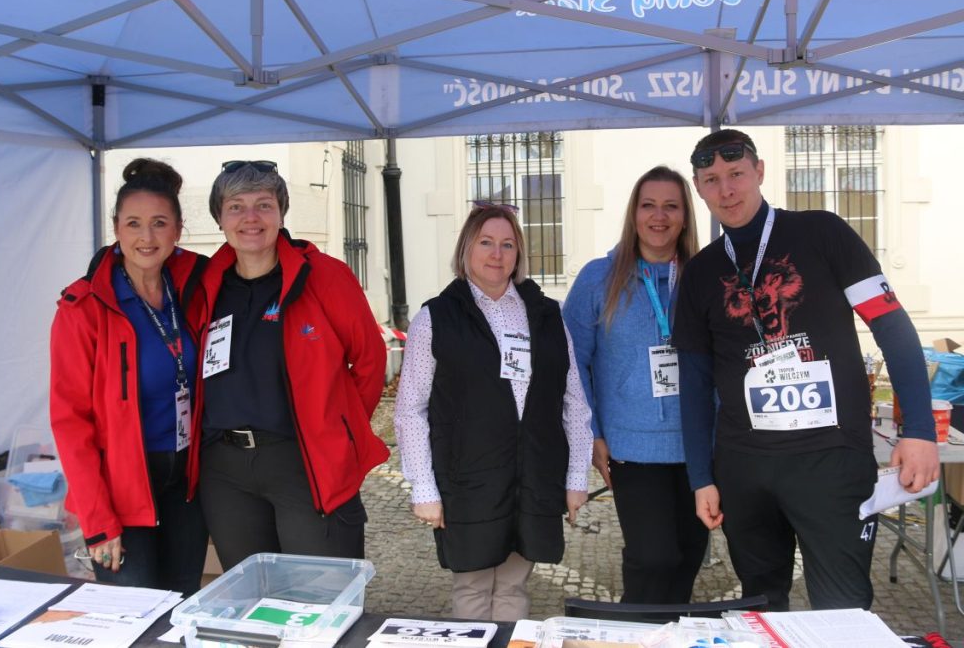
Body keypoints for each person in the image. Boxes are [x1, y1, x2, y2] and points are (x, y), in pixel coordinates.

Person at [674, 129, 940, 611]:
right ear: (698, 188)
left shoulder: (822, 232)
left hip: (830, 458)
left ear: (759, 171)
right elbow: (693, 384)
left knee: (843, 608)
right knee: (760, 607)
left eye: (736, 174)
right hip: (744, 465)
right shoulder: (700, 272)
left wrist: (919, 430)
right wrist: (700, 477)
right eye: (711, 180)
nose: (726, 190)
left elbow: (892, 326)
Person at [394, 201, 593, 621]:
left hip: (534, 475)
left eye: (507, 244)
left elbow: (574, 402)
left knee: (514, 586)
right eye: (486, 242)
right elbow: (411, 409)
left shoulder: (547, 314)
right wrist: (423, 488)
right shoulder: (436, 318)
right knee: (473, 587)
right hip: (468, 478)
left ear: (518, 253)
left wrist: (576, 478)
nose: (497, 254)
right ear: (466, 248)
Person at [189, 160, 388, 571]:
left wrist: (340, 432)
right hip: (225, 471)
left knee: (320, 592)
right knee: (251, 595)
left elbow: (370, 359)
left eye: (264, 205)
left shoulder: (324, 276)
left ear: (281, 213)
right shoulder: (206, 283)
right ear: (219, 218)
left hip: (303, 460)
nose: (250, 218)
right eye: (236, 206)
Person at [50, 158, 208, 594]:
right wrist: (98, 520)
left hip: (186, 485)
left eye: (159, 223)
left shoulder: (193, 287)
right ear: (116, 229)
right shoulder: (83, 309)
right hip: (121, 492)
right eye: (133, 224)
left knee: (184, 602)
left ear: (178, 230)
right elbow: (70, 422)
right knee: (134, 614)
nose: (146, 237)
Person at [563, 165, 706, 604]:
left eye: (671, 206)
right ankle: (633, 630)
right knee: (654, 558)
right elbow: (572, 363)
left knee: (688, 556)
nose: (658, 216)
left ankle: (672, 630)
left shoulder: (704, 276)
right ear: (633, 213)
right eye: (648, 205)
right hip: (631, 447)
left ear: (685, 216)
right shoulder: (598, 278)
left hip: (699, 444)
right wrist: (591, 433)